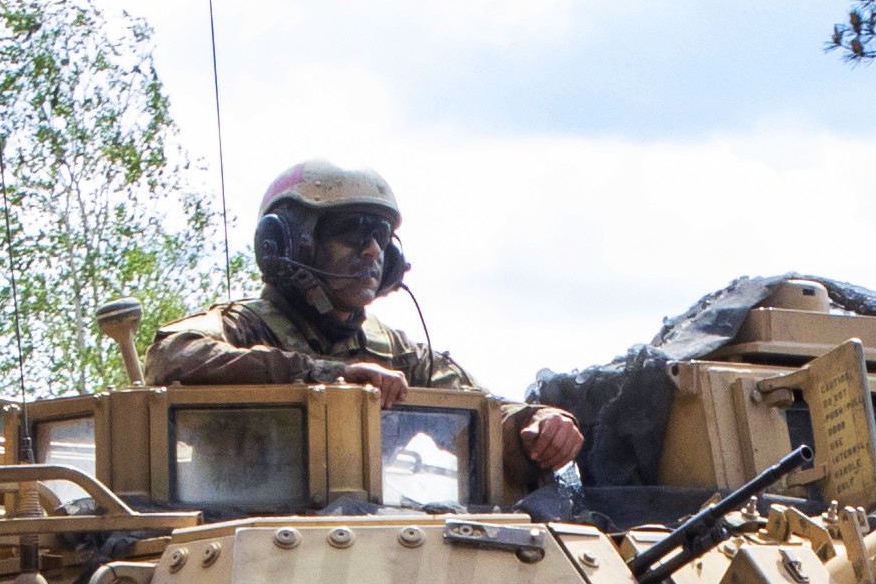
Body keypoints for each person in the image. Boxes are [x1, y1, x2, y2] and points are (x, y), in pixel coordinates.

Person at [146, 161, 585, 475]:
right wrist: (327, 376)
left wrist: (535, 423)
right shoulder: (244, 326)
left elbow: (480, 407)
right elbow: (172, 354)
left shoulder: (396, 353)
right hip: (239, 534)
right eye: (354, 232)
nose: (373, 251)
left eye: (380, 238)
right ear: (292, 245)